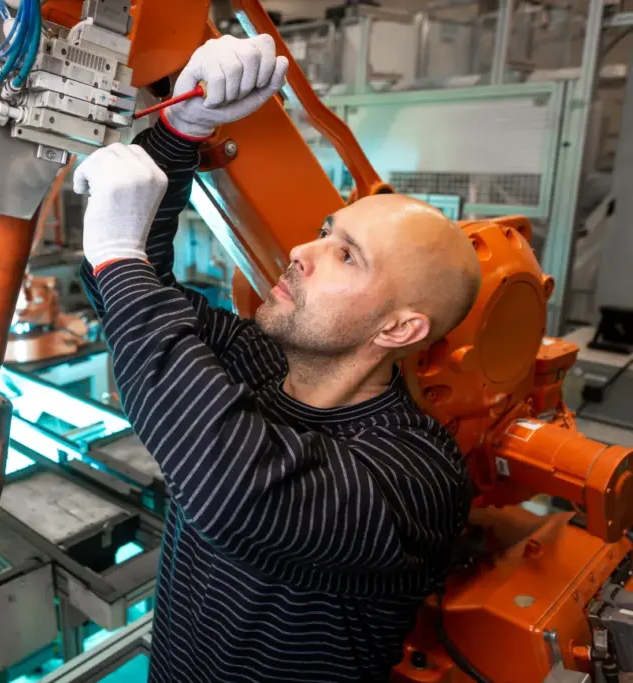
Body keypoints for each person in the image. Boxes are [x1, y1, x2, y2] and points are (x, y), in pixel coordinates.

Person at [75, 34, 482, 682]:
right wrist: (182, 129)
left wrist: (121, 258)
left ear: (402, 327)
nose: (301, 249)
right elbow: (121, 289)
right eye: (326, 230)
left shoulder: (418, 474)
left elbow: (238, 489)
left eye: (346, 254)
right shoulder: (260, 358)